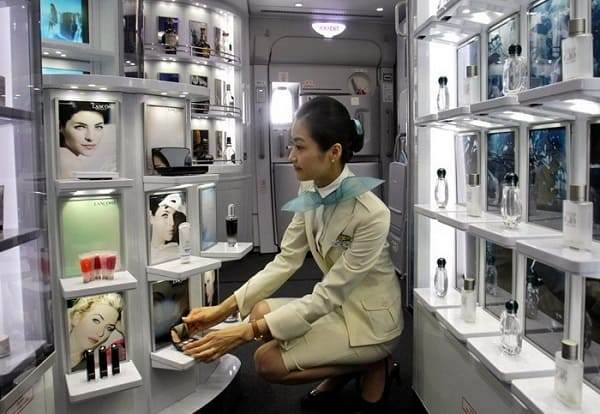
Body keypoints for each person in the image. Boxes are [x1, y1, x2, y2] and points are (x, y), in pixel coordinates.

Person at [182, 96, 403, 412]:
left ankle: (371, 363)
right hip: (335, 305)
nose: (291, 156)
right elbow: (286, 260)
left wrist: (243, 333)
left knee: (266, 362)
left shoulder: (372, 214)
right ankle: (347, 364)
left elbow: (328, 294)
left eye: (299, 147)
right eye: (291, 145)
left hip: (369, 320)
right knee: (259, 311)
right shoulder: (310, 188)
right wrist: (221, 310)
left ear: (333, 152)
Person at [58, 101, 114, 178]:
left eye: (98, 127)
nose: (90, 137)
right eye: (80, 127)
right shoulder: (67, 158)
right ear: (60, 126)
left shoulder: (60, 155)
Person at [68, 293, 124, 370]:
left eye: (109, 328)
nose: (101, 333)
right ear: (76, 318)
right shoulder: (52, 353)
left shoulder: (90, 368)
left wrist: (123, 330)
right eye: (96, 321)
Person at [148, 193, 187, 263]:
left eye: (174, 215)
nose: (172, 223)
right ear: (151, 217)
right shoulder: (144, 252)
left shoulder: (176, 250)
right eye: (165, 215)